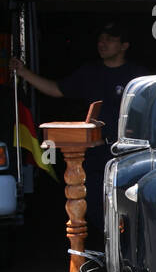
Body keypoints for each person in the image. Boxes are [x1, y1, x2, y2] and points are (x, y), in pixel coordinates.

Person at [12, 23, 145, 245]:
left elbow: (146, 114)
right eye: (100, 39)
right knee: (93, 205)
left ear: (124, 46)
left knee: (129, 206)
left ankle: (130, 254)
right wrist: (23, 72)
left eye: (110, 39)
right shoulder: (89, 72)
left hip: (127, 155)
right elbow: (56, 89)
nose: (102, 43)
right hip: (93, 156)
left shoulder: (138, 78)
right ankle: (111, 254)